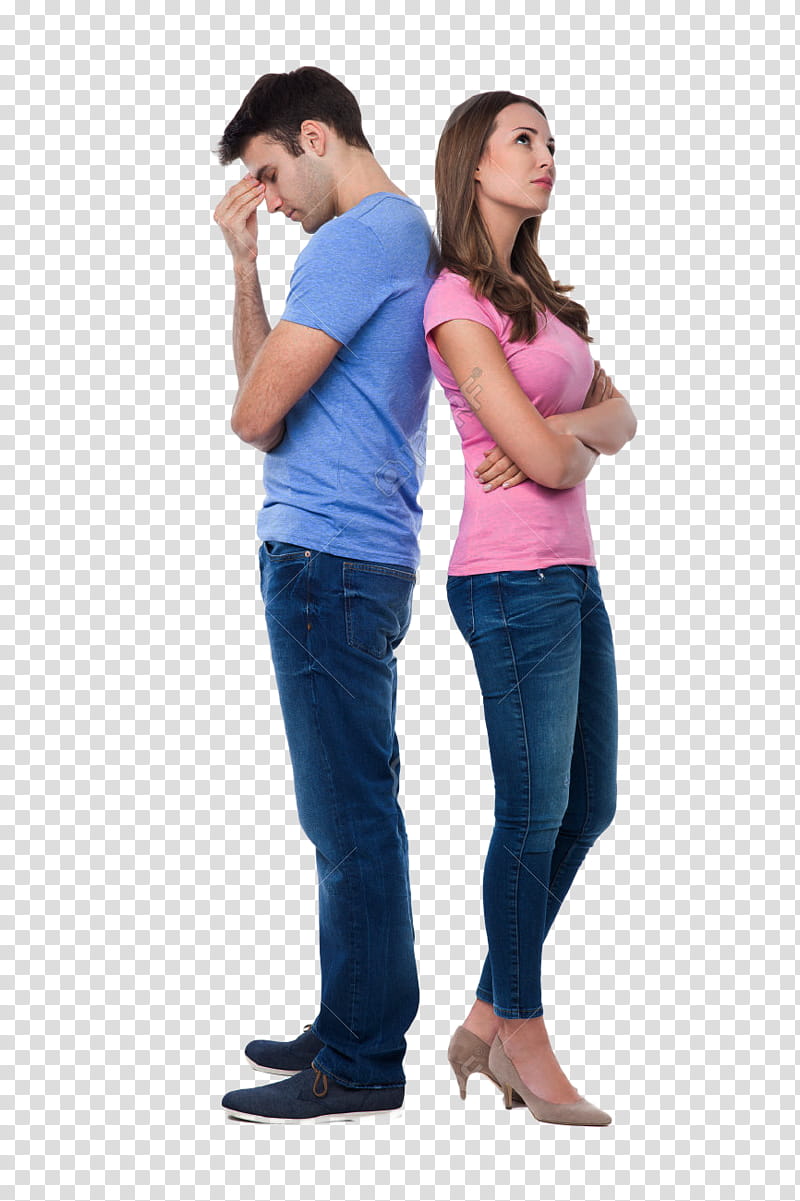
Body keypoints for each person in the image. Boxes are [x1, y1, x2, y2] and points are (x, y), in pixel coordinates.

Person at [213, 68, 436, 1123]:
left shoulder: (360, 239)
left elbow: (254, 415)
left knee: (346, 819)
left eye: (269, 173)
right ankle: (355, 1015)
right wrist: (246, 265)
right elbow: (270, 387)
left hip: (325, 557)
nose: (268, 197)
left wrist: (271, 277)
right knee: (357, 811)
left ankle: (357, 1060)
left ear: (315, 134)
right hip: (359, 556)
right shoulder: (393, 240)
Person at [422, 91, 637, 1127]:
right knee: (530, 815)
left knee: (584, 807)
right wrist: (570, 438)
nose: (546, 154)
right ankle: (523, 1032)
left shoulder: (537, 303)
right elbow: (554, 453)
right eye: (523, 139)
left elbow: (616, 418)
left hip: (572, 573)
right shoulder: (453, 301)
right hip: (507, 582)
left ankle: (480, 1012)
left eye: (551, 139)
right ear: (473, 162)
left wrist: (568, 432)